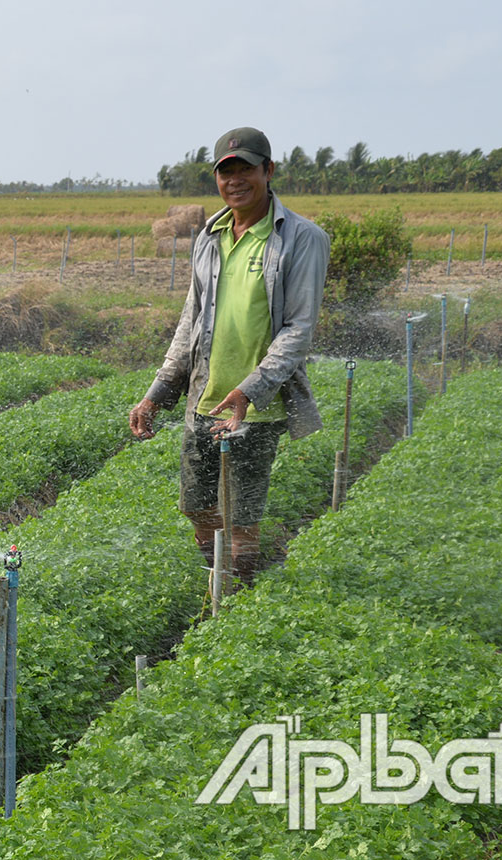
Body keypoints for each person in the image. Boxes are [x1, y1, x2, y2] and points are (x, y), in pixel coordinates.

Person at [128, 126, 329, 587]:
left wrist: (252, 389)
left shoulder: (301, 238)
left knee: (241, 519)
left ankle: (236, 602)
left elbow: (299, 329)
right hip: (205, 395)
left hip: (256, 406)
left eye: (246, 169)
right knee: (197, 507)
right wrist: (157, 394)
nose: (235, 180)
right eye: (226, 171)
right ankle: (213, 584)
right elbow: (190, 321)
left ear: (268, 170)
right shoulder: (209, 235)